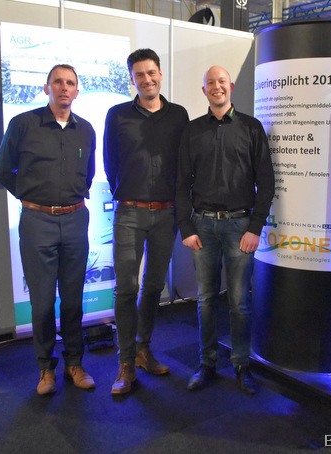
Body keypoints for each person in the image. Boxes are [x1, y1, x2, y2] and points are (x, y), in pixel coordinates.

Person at [0, 64, 96, 395]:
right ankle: (45, 369)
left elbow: (89, 172)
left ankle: (74, 363)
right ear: (46, 88)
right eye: (58, 82)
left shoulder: (86, 130)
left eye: (70, 83)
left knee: (73, 301)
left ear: (77, 91)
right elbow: (4, 170)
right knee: (41, 303)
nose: (64, 87)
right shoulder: (23, 124)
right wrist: (32, 197)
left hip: (75, 220)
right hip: (37, 221)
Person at [176, 65, 275, 395]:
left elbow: (266, 182)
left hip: (240, 227)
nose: (216, 87)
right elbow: (181, 183)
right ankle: (206, 363)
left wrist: (255, 228)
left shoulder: (251, 128)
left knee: (239, 302)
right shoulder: (192, 131)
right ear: (204, 90)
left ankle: (241, 364)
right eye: (210, 83)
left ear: (230, 86)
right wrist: (186, 226)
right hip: (202, 226)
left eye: (221, 81)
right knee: (205, 300)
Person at [104, 48, 189, 395]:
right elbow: (110, 162)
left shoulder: (179, 115)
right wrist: (126, 191)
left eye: (151, 72)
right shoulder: (117, 115)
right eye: (139, 74)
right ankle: (125, 362)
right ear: (132, 79)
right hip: (130, 212)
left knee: (154, 287)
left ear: (160, 74)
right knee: (126, 288)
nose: (146, 79)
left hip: (166, 213)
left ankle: (143, 349)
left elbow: (183, 163)